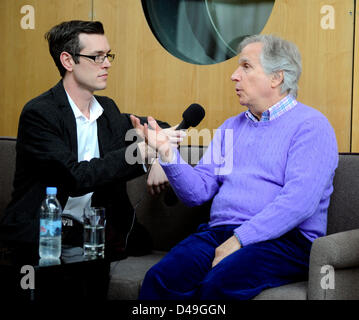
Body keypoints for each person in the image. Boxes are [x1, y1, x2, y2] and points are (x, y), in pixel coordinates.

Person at [131, 34, 339, 299]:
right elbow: (197, 193)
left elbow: (299, 202)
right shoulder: (231, 127)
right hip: (220, 232)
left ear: (276, 78)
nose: (234, 75)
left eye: (246, 66)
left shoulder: (311, 126)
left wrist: (240, 239)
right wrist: (166, 152)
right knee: (160, 279)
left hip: (286, 241)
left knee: (218, 285)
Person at [0, 20, 180, 260]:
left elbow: (165, 129)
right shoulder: (40, 114)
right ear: (68, 61)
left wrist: (158, 156)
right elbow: (76, 177)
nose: (106, 64)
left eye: (108, 55)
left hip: (95, 235)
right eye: (97, 57)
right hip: (45, 233)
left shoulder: (107, 110)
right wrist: (141, 152)